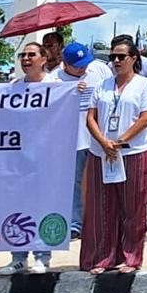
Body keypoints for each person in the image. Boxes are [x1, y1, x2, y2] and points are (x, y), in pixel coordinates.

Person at [81, 35, 147, 273]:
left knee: (133, 208)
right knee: (102, 208)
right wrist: (104, 142)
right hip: (102, 153)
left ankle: (131, 257)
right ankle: (103, 258)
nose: (116, 61)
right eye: (113, 56)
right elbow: (90, 117)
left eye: (121, 56)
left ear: (133, 58)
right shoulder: (103, 84)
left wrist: (121, 141)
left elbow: (146, 117)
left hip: (132, 152)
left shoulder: (143, 84)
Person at [0, 42, 57, 274]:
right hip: (18, 158)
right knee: (18, 207)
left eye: (31, 55)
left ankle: (42, 256)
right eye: (23, 55)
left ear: (44, 59)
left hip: (47, 159)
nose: (26, 59)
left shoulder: (57, 87)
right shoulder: (13, 87)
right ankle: (18, 256)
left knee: (43, 206)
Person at [51, 42, 112, 239]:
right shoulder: (54, 79)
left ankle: (105, 220)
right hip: (72, 141)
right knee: (73, 184)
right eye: (77, 66)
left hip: (100, 139)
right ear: (65, 65)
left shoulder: (100, 69)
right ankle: (75, 223)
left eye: (85, 63)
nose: (83, 68)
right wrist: (68, 91)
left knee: (106, 181)